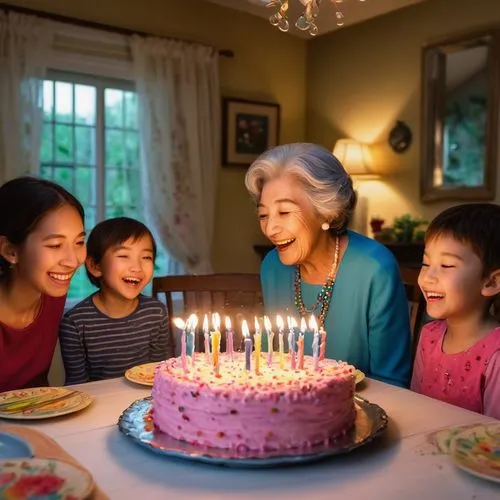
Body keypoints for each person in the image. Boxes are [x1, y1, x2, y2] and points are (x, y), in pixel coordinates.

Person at [245, 143, 412, 387]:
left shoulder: (374, 268)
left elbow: (392, 381)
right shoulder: (272, 267)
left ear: (327, 212)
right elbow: (270, 361)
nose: (270, 229)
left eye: (284, 212)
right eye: (263, 215)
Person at [59, 217, 174, 384]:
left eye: (146, 257)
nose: (137, 267)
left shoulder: (155, 313)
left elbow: (159, 372)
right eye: (124, 255)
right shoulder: (75, 322)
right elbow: (78, 386)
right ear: (95, 266)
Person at [411, 204, 500, 418]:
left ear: (491, 282)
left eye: (447, 265)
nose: (427, 277)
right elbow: (413, 404)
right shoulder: (429, 335)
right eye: (425, 263)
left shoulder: (496, 353)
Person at [0, 176, 86, 392]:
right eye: (55, 245)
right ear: (10, 251)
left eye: (79, 242)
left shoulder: (52, 296)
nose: (72, 261)